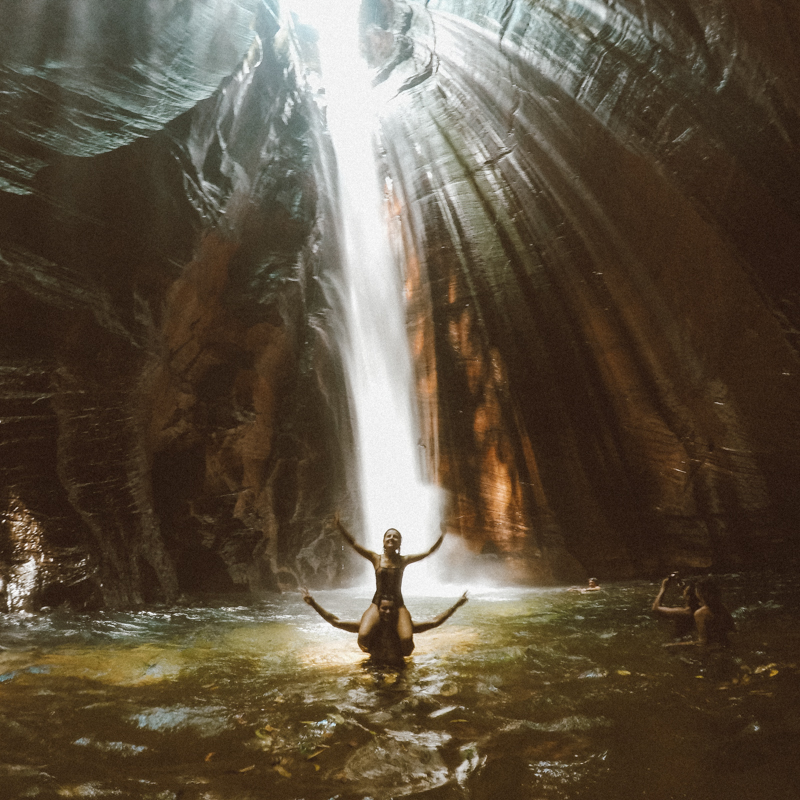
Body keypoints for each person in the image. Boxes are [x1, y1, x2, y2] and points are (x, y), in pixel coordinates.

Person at [333, 513, 445, 656]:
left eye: (395, 537)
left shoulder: (404, 560)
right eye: (389, 536)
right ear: (384, 541)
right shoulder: (375, 558)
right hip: (377, 602)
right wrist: (340, 527)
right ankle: (376, 652)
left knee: (407, 641)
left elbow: (428, 552)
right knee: (363, 636)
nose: (392, 538)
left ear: (399, 544)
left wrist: (442, 536)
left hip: (398, 603)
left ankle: (397, 659)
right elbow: (354, 544)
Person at [301, 588, 468, 666]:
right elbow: (336, 621)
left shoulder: (403, 628)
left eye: (391, 608)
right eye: (384, 608)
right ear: (378, 609)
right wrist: (313, 603)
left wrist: (456, 605)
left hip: (399, 666)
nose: (387, 611)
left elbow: (434, 622)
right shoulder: (370, 628)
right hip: (374, 667)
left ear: (396, 610)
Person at [664, 576, 735, 648]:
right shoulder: (722, 607)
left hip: (713, 650)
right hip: (727, 645)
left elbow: (703, 642)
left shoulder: (700, 613)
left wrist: (674, 645)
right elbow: (732, 630)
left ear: (700, 593)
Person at [651, 572, 700, 640]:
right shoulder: (699, 607)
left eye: (684, 591)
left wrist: (663, 588)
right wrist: (678, 580)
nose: (683, 591)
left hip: (679, 641)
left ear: (688, 596)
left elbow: (655, 608)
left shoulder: (684, 612)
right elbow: (688, 590)